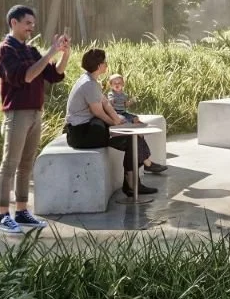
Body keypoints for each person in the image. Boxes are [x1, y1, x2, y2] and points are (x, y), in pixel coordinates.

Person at [0, 5, 68, 234]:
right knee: (9, 164)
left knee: (26, 165)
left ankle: (22, 211)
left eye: (33, 24)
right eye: (27, 23)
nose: (31, 28)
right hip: (17, 114)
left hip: (35, 113)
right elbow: (26, 76)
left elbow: (54, 75)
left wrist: (64, 53)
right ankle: (3, 216)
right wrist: (50, 52)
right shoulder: (5, 50)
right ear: (13, 23)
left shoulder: (31, 50)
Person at [66, 48, 160, 200]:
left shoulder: (91, 80)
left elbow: (105, 104)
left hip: (90, 127)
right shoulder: (88, 84)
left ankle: (135, 181)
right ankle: (134, 182)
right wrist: (115, 124)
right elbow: (98, 112)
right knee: (132, 139)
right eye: (104, 62)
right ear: (98, 66)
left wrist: (117, 120)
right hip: (81, 133)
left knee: (134, 137)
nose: (106, 65)